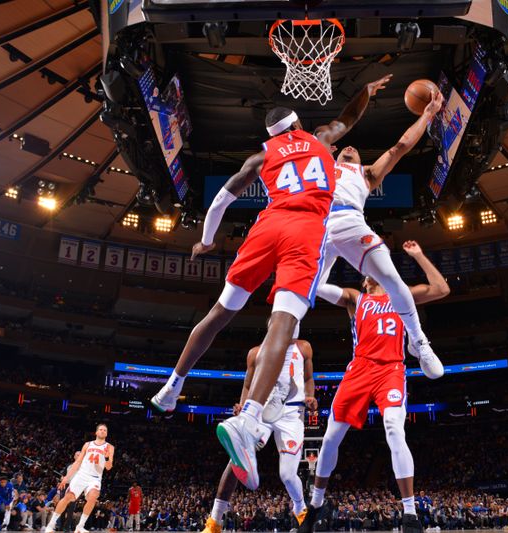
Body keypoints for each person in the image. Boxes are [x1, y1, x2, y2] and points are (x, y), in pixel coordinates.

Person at [151, 75, 392, 490]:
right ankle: (247, 419)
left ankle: (172, 387)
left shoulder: (261, 156)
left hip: (267, 227)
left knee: (221, 311)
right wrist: (367, 90)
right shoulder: (320, 138)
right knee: (283, 323)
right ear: (298, 125)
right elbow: (348, 118)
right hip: (305, 231)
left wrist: (207, 242)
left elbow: (221, 201)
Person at [298, 240, 450, 533]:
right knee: (330, 438)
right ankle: (316, 504)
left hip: (391, 369)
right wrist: (323, 254)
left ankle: (409, 513)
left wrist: (419, 255)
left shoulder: (400, 295)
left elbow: (442, 289)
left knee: (394, 427)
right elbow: (316, 286)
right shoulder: (355, 298)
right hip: (359, 369)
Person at [317, 90, 445, 379]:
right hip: (317, 228)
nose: (350, 147)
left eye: (356, 150)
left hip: (350, 221)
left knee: (390, 277)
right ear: (336, 152)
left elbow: (401, 146)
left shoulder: (367, 174)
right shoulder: (321, 165)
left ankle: (418, 341)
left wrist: (427, 114)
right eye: (345, 148)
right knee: (299, 289)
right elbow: (329, 132)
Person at [202, 332, 316, 533]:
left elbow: (308, 378)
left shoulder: (304, 347)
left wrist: (310, 396)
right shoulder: (255, 353)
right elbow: (247, 385)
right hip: (262, 411)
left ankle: (300, 509)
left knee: (288, 475)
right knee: (236, 458)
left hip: (291, 413)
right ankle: (214, 521)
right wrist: (243, 405)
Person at [45, 424, 114, 533]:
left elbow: (109, 467)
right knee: (68, 497)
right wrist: (66, 478)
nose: (102, 431)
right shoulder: (87, 445)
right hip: (82, 474)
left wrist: (106, 457)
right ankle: (51, 525)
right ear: (96, 432)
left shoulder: (110, 447)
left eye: (105, 430)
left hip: (95, 478)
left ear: (107, 433)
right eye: (100, 429)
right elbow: (77, 462)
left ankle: (80, 527)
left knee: (93, 496)